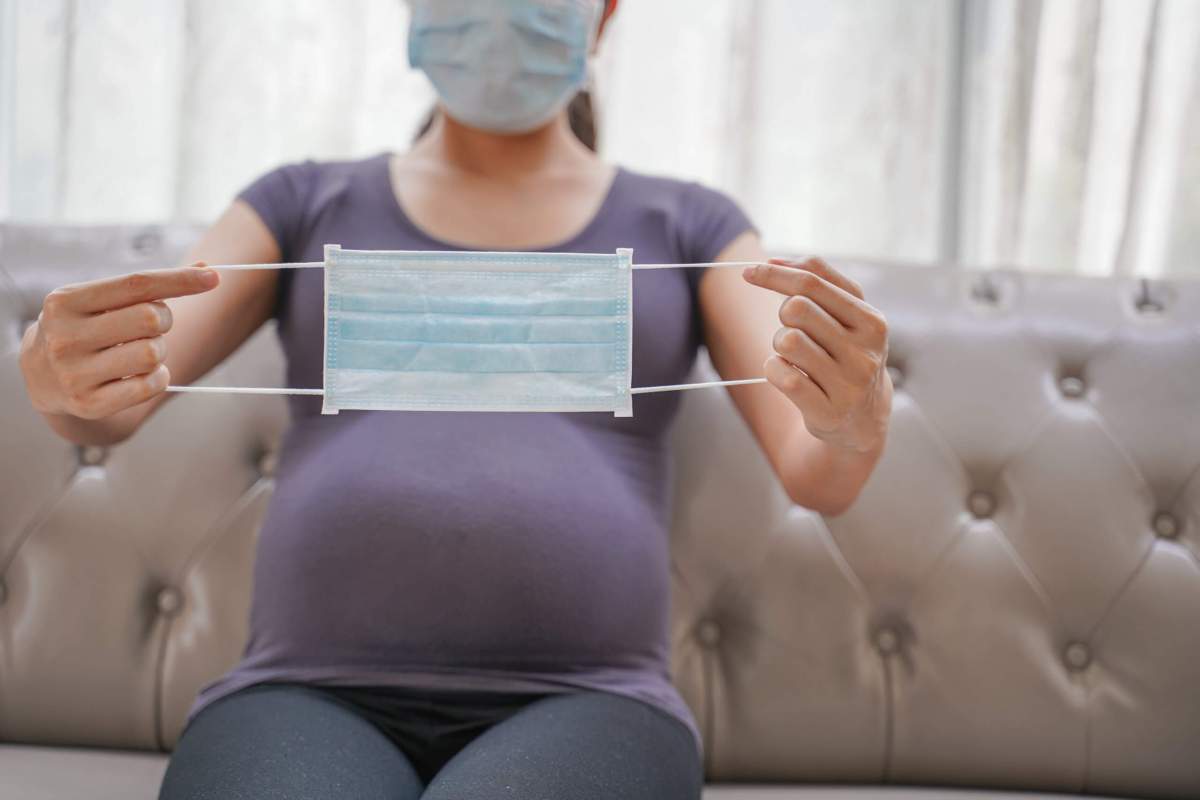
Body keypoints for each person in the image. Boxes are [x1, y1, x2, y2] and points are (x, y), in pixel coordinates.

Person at [18, 0, 893, 797]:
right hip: (302, 694)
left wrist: (853, 415)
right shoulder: (301, 200)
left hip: (594, 704)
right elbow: (112, 398)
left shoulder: (689, 223)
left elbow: (820, 471)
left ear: (606, 14)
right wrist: (57, 375)